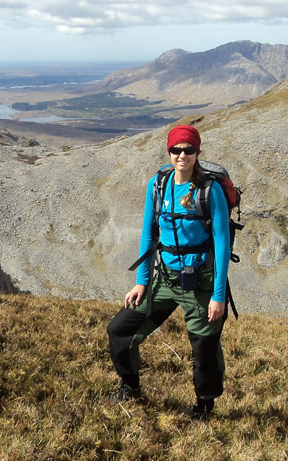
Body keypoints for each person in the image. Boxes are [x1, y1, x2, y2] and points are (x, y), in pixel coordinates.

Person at [106, 124, 231, 420]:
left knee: (204, 347)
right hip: (164, 279)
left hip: (201, 282)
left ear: (197, 152)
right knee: (120, 330)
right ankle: (130, 386)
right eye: (176, 150)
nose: (182, 155)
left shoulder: (209, 191)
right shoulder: (158, 185)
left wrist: (218, 295)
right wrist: (141, 282)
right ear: (169, 152)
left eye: (188, 150)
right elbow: (149, 234)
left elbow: (223, 243)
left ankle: (205, 405)